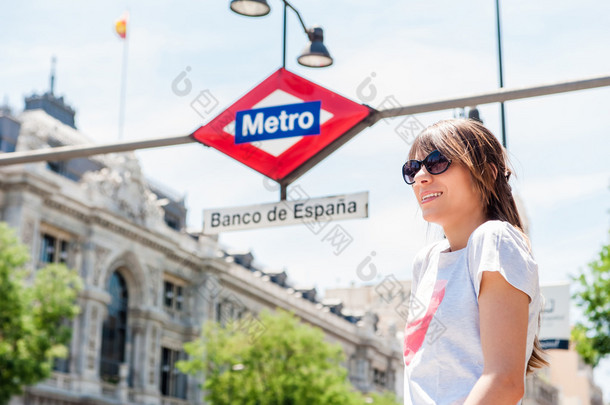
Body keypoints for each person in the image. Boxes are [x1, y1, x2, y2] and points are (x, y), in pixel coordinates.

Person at [401, 119, 547, 405]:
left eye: (437, 161)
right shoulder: (425, 262)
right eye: (412, 168)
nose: (421, 176)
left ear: (488, 173)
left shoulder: (494, 240)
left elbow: (503, 381)